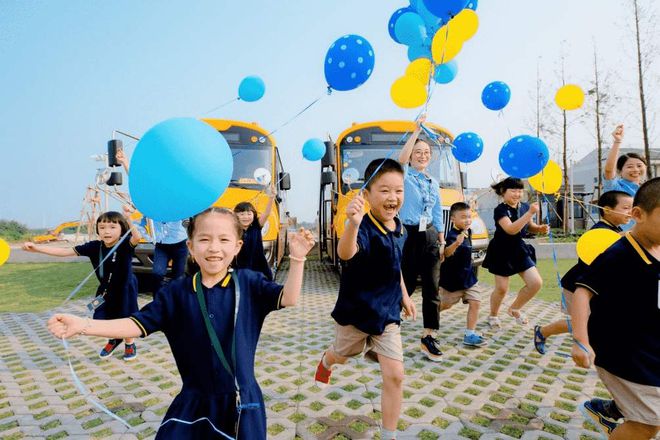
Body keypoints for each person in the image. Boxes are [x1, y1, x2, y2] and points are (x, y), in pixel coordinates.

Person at [47, 207, 316, 439]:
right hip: (192, 401)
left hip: (241, 402)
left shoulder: (249, 283)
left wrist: (298, 258)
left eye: (224, 239)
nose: (214, 248)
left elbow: (289, 298)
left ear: (237, 247)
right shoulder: (175, 292)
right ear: (190, 246)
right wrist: (82, 325)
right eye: (204, 239)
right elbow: (137, 325)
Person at [314, 159, 417, 440]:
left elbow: (395, 266)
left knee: (395, 375)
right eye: (384, 190)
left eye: (398, 190)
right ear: (367, 194)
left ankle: (389, 434)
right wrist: (352, 224)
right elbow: (346, 253)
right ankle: (326, 360)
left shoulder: (401, 229)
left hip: (387, 314)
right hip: (356, 313)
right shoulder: (364, 227)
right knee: (344, 356)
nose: (393, 197)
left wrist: (405, 296)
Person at [571, 178, 660, 439]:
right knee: (647, 423)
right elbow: (581, 293)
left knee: (649, 418)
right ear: (637, 215)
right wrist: (581, 342)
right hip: (624, 352)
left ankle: (610, 409)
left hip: (651, 347)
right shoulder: (618, 254)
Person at [25, 207, 142, 361]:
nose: (107, 231)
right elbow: (65, 252)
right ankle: (113, 339)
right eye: (102, 227)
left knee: (125, 316)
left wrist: (128, 218)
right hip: (105, 289)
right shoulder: (94, 247)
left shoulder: (125, 244)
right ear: (97, 230)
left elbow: (137, 237)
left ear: (122, 229)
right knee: (102, 318)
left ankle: (129, 343)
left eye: (113, 227)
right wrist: (37, 249)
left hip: (125, 288)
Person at [533, 190, 633, 354]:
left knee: (594, 323)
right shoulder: (598, 232)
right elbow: (608, 247)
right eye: (626, 208)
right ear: (607, 209)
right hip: (577, 287)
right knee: (583, 324)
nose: (631, 212)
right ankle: (543, 332)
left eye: (632, 208)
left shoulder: (615, 230)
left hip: (596, 289)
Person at [397, 115, 445, 361]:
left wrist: (441, 240)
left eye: (426, 152)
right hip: (407, 234)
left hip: (429, 238)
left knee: (432, 286)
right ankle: (389, 327)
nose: (422, 155)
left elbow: (437, 213)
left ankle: (429, 335)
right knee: (403, 282)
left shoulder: (432, 182)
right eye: (418, 151)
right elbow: (401, 159)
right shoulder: (404, 176)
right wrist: (415, 131)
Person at [116, 149, 188, 293]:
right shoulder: (149, 200)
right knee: (157, 274)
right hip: (161, 244)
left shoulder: (178, 198)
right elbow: (138, 182)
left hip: (180, 243)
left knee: (178, 276)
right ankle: (158, 300)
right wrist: (124, 161)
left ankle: (175, 301)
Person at [482, 177, 549, 328]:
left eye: (520, 190)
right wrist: (530, 212)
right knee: (502, 289)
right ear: (503, 192)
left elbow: (529, 226)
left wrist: (539, 228)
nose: (517, 194)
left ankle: (514, 309)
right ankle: (493, 315)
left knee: (535, 283)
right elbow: (511, 229)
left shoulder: (525, 206)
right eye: (513, 190)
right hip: (501, 251)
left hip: (519, 249)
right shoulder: (500, 210)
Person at [439, 202, 487, 347]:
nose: (467, 220)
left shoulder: (468, 231)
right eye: (463, 217)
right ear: (453, 219)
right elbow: (446, 254)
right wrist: (456, 243)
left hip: (469, 278)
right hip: (452, 281)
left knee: (476, 302)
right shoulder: (451, 235)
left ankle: (470, 334)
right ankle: (430, 316)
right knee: (444, 305)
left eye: (469, 217)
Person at [604, 124, 647, 231]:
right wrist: (617, 142)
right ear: (619, 171)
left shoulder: (649, 189)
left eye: (639, 165)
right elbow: (609, 170)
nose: (636, 170)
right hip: (625, 239)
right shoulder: (616, 187)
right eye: (630, 166)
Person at [234, 185, 276, 280]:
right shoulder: (233, 230)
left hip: (259, 265)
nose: (246, 217)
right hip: (240, 266)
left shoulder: (256, 226)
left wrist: (271, 197)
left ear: (254, 215)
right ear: (235, 216)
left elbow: (266, 213)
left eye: (249, 214)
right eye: (242, 214)